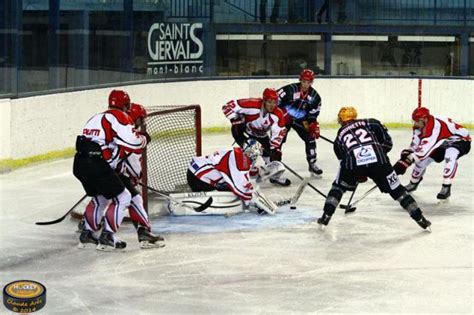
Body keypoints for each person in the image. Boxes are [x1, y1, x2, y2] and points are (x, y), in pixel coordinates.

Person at [317, 107, 431, 230]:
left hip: (353, 163)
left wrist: (358, 173)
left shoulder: (339, 136)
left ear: (341, 120)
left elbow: (343, 160)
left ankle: (326, 216)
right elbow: (388, 143)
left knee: (338, 187)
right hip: (379, 161)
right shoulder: (371, 122)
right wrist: (376, 155)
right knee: (397, 190)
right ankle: (420, 218)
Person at [73, 89, 149, 250]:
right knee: (124, 197)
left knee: (102, 197)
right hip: (97, 165)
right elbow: (133, 143)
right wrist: (144, 139)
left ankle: (87, 233)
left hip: (80, 164)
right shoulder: (120, 116)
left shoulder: (95, 117)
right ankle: (107, 236)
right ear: (126, 105)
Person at [393, 107, 471, 200]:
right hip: (442, 142)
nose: (415, 123)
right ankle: (413, 183)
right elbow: (416, 145)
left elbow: (422, 152)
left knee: (450, 154)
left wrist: (406, 162)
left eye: (417, 121)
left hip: (460, 141)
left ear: (425, 119)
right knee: (421, 162)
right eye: (414, 121)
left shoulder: (434, 128)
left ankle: (446, 187)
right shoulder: (420, 126)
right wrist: (408, 154)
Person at [116, 103, 165, 248]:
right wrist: (135, 177)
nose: (141, 123)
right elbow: (133, 164)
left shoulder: (117, 129)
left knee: (108, 199)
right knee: (134, 198)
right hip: (112, 173)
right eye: (140, 119)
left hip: (100, 170)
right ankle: (143, 233)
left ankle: (88, 227)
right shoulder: (132, 138)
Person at [187, 140, 276, 215]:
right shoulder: (241, 159)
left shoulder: (238, 153)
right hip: (198, 179)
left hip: (196, 173)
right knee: (234, 194)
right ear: (251, 153)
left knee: (231, 188)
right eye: (255, 155)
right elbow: (241, 188)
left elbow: (243, 172)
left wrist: (262, 171)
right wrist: (257, 202)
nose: (255, 158)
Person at [222, 88, 290, 186]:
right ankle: (242, 178)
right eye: (269, 102)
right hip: (242, 131)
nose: (272, 105)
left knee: (273, 158)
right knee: (253, 150)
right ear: (264, 100)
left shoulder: (278, 114)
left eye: (274, 102)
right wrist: (234, 119)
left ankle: (274, 178)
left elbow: (279, 132)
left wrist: (274, 148)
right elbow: (227, 106)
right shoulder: (251, 105)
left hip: (261, 135)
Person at [277, 69, 323, 175]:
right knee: (278, 140)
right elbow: (275, 100)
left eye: (309, 82)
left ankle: (312, 163)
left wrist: (312, 123)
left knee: (310, 138)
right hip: (284, 118)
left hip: (301, 120)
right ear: (300, 79)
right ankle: (274, 163)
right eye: (304, 81)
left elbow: (314, 112)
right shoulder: (289, 89)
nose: (306, 84)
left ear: (312, 82)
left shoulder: (315, 97)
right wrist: (279, 115)